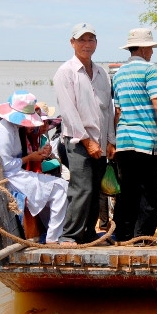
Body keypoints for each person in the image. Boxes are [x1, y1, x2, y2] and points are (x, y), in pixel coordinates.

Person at [112, 27, 157, 241]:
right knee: (148, 195)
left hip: (124, 141)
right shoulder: (149, 70)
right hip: (146, 143)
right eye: (151, 48)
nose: (152, 52)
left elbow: (118, 112)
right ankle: (143, 240)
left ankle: (124, 236)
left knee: (127, 193)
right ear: (144, 49)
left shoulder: (118, 75)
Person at [53, 22, 115, 243]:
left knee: (95, 189)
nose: (86, 44)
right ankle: (69, 236)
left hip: (100, 143)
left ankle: (88, 233)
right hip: (78, 141)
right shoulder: (65, 72)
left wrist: (110, 140)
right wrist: (88, 142)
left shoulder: (101, 73)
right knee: (82, 188)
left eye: (91, 40)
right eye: (82, 40)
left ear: (96, 43)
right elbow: (69, 112)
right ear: (72, 43)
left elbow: (107, 109)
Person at [0, 91, 68, 244]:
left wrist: (34, 155)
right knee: (60, 187)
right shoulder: (5, 131)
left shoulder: (13, 128)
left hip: (16, 173)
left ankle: (49, 233)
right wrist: (31, 157)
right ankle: (53, 238)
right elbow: (6, 166)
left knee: (54, 188)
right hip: (10, 177)